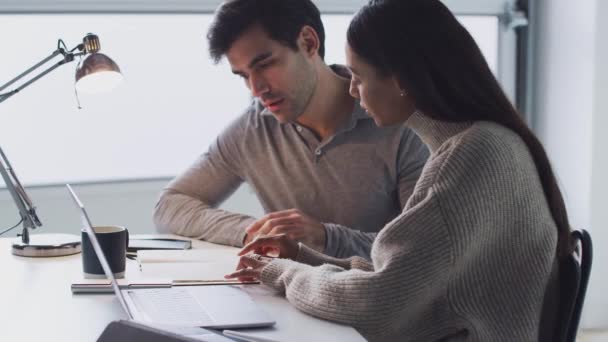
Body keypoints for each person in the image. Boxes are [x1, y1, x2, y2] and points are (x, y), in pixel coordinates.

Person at [225, 0, 572, 340]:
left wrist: (283, 274)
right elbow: (401, 274)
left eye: (358, 76)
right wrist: (303, 257)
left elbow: (376, 304)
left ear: (402, 77)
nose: (351, 89)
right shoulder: (480, 143)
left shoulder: (473, 155)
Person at [153, 0, 428, 259]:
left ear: (308, 43)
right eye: (244, 75)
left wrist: (326, 238)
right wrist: (255, 231)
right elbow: (170, 205)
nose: (256, 89)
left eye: (265, 65)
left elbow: (421, 249)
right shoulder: (252, 129)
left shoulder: (401, 123)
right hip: (289, 298)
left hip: (380, 302)